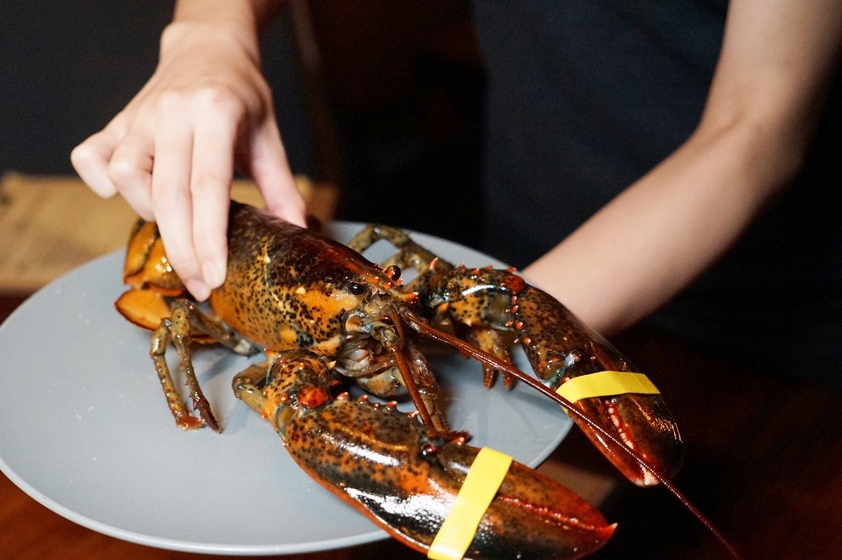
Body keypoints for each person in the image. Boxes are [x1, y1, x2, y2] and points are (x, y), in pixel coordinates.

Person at [72, 0, 842, 378]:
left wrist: (468, 335)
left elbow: (756, 126)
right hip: (524, 230)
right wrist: (210, 31)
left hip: (777, 328)